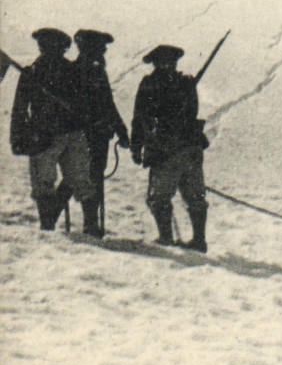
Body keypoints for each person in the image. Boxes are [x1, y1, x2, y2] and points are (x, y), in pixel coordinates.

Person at [9, 28, 98, 234]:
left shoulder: (67, 72)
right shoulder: (32, 73)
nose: (46, 49)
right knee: (53, 182)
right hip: (47, 136)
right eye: (44, 45)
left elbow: (86, 102)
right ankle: (53, 226)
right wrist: (18, 136)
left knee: (70, 181)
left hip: (61, 135)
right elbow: (19, 109)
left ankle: (87, 227)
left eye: (50, 45)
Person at [131, 45, 209, 250]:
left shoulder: (150, 84)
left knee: (160, 196)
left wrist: (136, 146)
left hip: (165, 149)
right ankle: (199, 240)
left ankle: (167, 238)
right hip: (190, 148)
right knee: (195, 195)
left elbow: (139, 117)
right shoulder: (186, 83)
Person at [69, 29, 129, 236]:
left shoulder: (96, 70)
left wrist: (121, 130)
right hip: (82, 135)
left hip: (99, 134)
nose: (103, 52)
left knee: (92, 176)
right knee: (81, 176)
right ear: (88, 48)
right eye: (99, 48)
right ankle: (59, 215)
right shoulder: (77, 70)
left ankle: (90, 223)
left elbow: (108, 104)